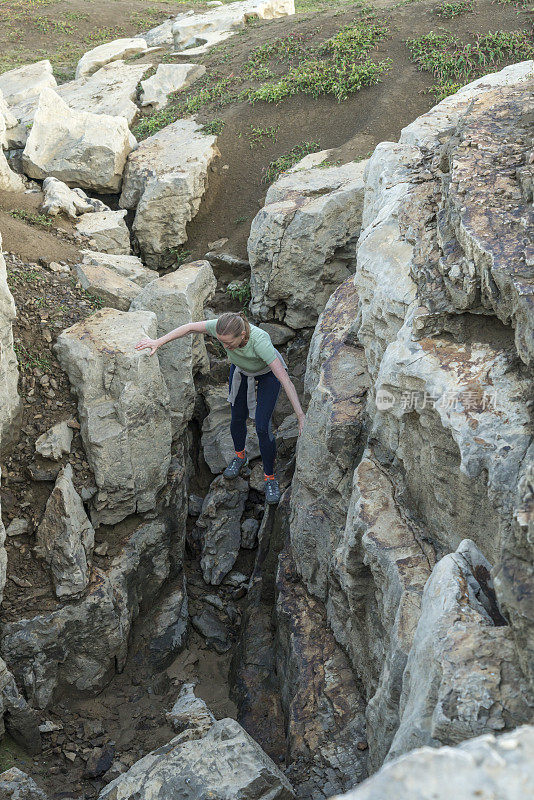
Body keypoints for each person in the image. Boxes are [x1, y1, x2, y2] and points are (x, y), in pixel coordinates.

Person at [135, 312, 306, 505]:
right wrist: (158, 341)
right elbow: (189, 327)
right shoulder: (221, 326)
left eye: (228, 343)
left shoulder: (260, 343)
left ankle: (269, 477)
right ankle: (240, 456)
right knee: (237, 417)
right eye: (221, 342)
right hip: (241, 370)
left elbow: (285, 380)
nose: (224, 347)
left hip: (268, 375)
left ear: (242, 334)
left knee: (261, 426)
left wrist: (300, 417)